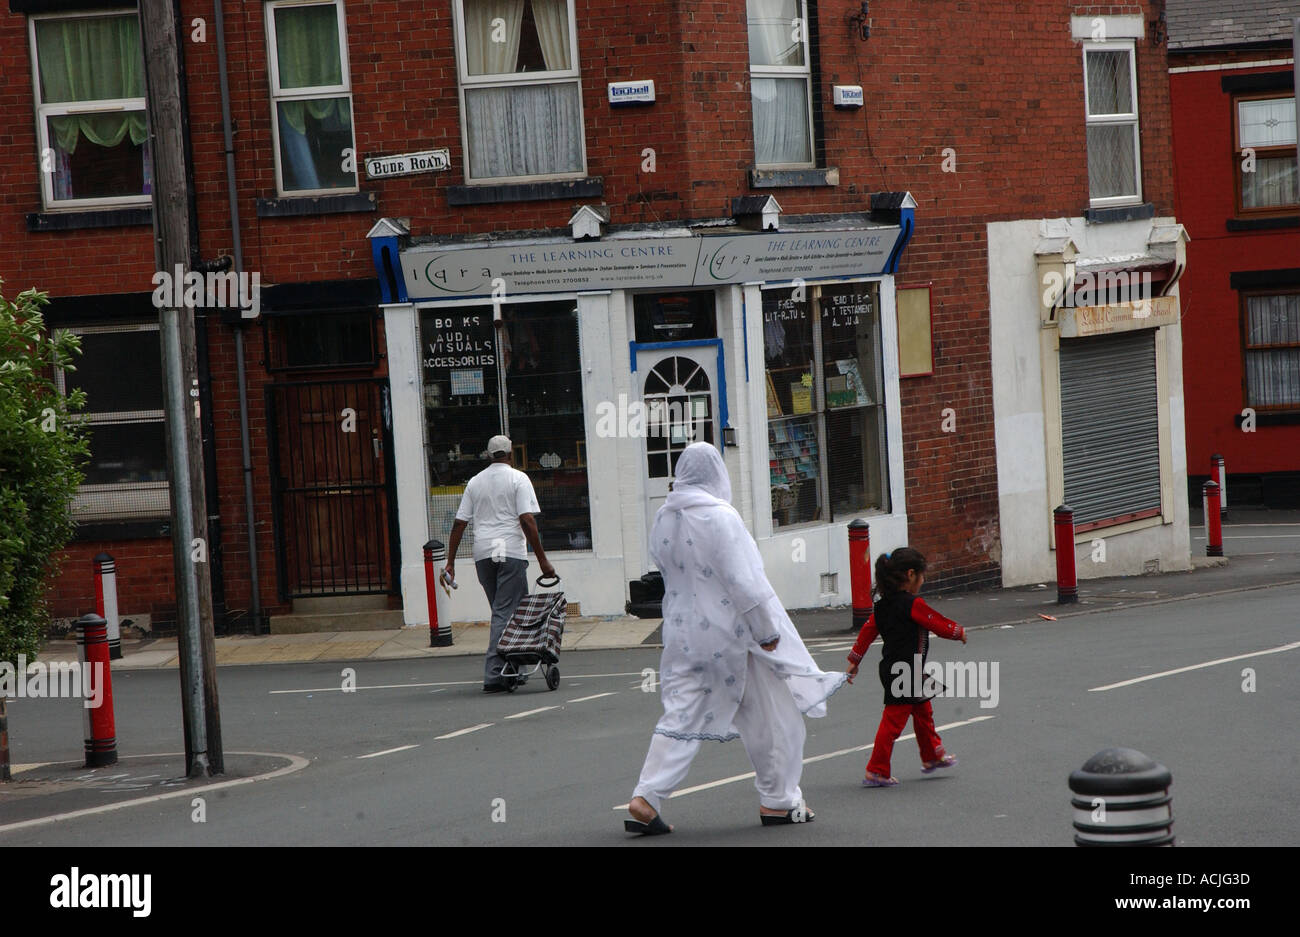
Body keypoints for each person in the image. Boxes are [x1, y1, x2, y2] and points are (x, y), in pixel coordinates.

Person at [625, 442, 848, 836]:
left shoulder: (663, 517)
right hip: (733, 637)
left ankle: (646, 796)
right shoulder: (720, 518)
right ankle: (779, 800)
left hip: (682, 633)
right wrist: (767, 632)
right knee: (774, 716)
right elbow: (744, 582)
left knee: (681, 714)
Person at [846, 547, 967, 787]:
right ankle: (876, 769)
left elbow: (868, 631)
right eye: (922, 576)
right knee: (893, 722)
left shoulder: (881, 606)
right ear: (911, 575)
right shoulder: (913, 604)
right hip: (906, 671)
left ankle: (933, 755)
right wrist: (958, 632)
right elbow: (935, 622)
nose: (922, 581)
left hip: (896, 668)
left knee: (923, 711)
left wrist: (854, 659)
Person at [444, 435, 556, 692]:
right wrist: (542, 560)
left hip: (484, 553)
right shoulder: (518, 478)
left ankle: (515, 668)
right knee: (505, 613)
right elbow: (527, 520)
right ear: (511, 454)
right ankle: (495, 674)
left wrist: (451, 562)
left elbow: (459, 523)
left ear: (488, 455)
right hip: (509, 551)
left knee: (506, 612)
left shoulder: (475, 482)